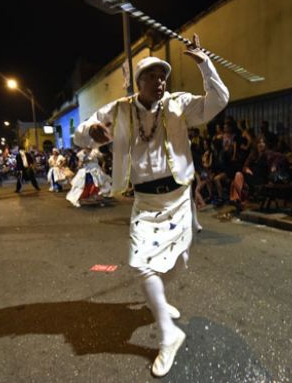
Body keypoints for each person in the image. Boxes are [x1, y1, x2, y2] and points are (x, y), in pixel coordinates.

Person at [73, 34, 229, 377]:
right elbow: (80, 134)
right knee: (143, 264)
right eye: (152, 76)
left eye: (163, 77)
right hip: (145, 200)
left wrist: (204, 62)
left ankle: (159, 301)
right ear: (139, 82)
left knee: (178, 261)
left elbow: (218, 100)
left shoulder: (179, 103)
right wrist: (91, 134)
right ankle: (168, 334)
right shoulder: (119, 109)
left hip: (178, 197)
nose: (160, 82)